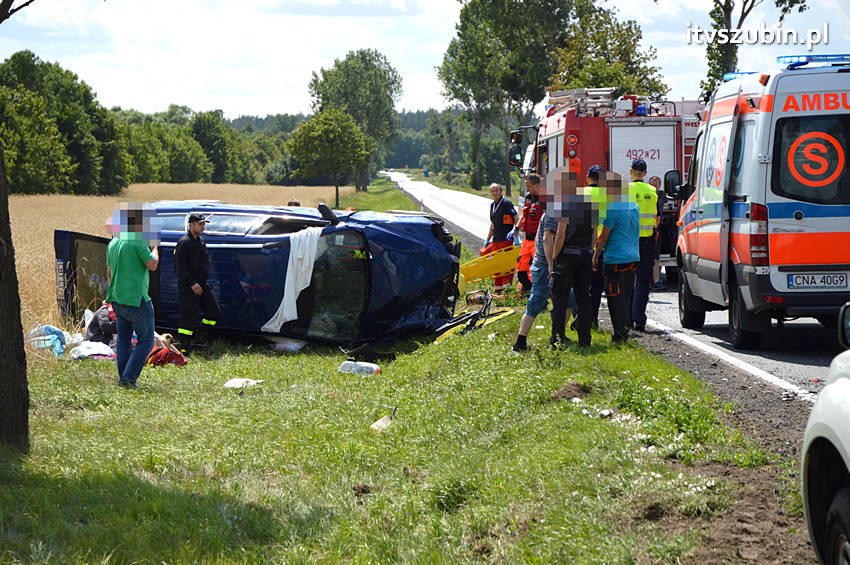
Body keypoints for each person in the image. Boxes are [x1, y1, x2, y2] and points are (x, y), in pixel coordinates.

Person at [105, 205, 159, 388]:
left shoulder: (114, 242)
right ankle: (128, 379)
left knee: (123, 340)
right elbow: (152, 264)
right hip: (137, 299)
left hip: (118, 299)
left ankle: (124, 377)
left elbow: (109, 272)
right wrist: (155, 247)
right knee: (146, 340)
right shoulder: (137, 240)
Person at [549, 170, 597, 348]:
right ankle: (585, 340)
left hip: (568, 255)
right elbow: (594, 232)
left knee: (560, 298)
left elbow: (560, 233)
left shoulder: (565, 205)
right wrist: (590, 253)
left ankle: (558, 338)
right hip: (585, 254)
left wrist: (555, 257)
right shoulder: (590, 204)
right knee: (583, 298)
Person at [593, 172, 640, 343]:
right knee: (626, 294)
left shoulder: (613, 210)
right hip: (633, 256)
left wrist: (595, 257)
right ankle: (625, 328)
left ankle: (620, 334)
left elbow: (603, 237)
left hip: (615, 259)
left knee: (615, 296)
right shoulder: (634, 206)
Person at [174, 213, 221, 354]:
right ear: (191, 225)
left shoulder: (201, 241)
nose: (203, 227)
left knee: (214, 312)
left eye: (203, 224)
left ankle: (200, 338)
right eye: (200, 224)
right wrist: (192, 283)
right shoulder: (184, 242)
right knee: (187, 317)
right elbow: (180, 268)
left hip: (202, 284)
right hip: (188, 286)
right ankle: (184, 347)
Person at [629, 159, 659, 332]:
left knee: (626, 281)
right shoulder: (652, 191)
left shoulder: (624, 190)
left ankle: (626, 318)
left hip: (627, 242)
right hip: (646, 242)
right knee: (642, 281)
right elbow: (657, 218)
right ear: (645, 173)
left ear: (631, 171)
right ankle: (639, 318)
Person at [482, 182, 518, 292]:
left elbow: (516, 218)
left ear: (500, 191)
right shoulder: (492, 205)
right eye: (492, 191)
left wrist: (515, 235)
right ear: (490, 193)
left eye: (496, 191)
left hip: (506, 240)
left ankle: (507, 287)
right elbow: (493, 224)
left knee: (507, 265)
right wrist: (488, 239)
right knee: (497, 264)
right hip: (496, 240)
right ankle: (498, 288)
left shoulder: (507, 203)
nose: (495, 193)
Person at [515, 174, 544, 295]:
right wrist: (516, 228)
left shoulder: (545, 200)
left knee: (538, 271)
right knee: (521, 270)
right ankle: (529, 293)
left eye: (529, 186)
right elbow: (524, 215)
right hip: (527, 240)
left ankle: (539, 297)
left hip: (538, 241)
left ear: (536, 186)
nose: (527, 189)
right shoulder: (529, 198)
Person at [648, 175, 666, 291]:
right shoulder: (650, 196)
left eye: (657, 184)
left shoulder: (661, 196)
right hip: (649, 230)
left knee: (655, 256)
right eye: (652, 184)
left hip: (656, 230)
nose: (655, 186)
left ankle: (656, 281)